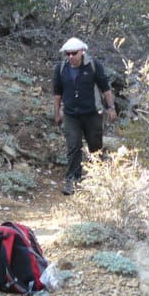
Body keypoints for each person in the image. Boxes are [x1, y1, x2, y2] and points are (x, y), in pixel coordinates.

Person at [52, 37, 117, 196]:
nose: (70, 56)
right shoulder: (60, 68)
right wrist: (56, 113)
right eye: (67, 53)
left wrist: (111, 108)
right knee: (73, 147)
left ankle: (99, 179)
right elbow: (57, 93)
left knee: (95, 146)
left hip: (92, 114)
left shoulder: (93, 66)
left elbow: (105, 88)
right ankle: (72, 180)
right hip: (71, 115)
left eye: (74, 53)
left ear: (82, 52)